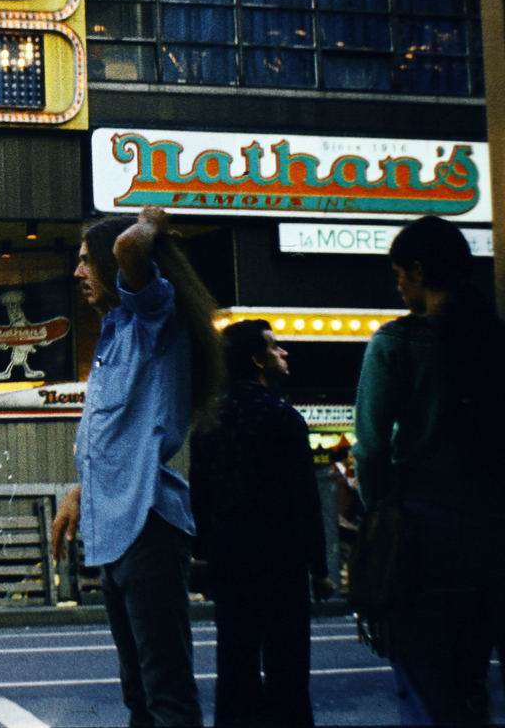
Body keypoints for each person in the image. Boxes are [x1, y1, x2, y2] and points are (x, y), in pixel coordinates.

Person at [51, 206, 225, 727]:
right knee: (139, 694)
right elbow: (118, 437)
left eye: (86, 261)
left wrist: (152, 220)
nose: (77, 273)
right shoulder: (116, 332)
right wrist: (81, 492)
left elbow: (130, 245)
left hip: (147, 525)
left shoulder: (153, 317)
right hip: (118, 530)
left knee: (165, 691)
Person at [353, 216, 505, 725]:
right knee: (476, 681)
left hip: (421, 534)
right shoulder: (494, 340)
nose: (398, 286)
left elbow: (371, 449)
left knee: (425, 686)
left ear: (418, 270)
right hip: (493, 528)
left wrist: (379, 513)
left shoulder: (396, 343)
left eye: (400, 274)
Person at [191, 319, 335, 726]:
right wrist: (320, 570)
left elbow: (199, 498)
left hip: (228, 557)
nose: (284, 353)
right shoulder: (284, 418)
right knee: (287, 668)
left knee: (235, 663)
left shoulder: (207, 421)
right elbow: (304, 500)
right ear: (256, 360)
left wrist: (203, 559)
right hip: (280, 557)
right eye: (275, 347)